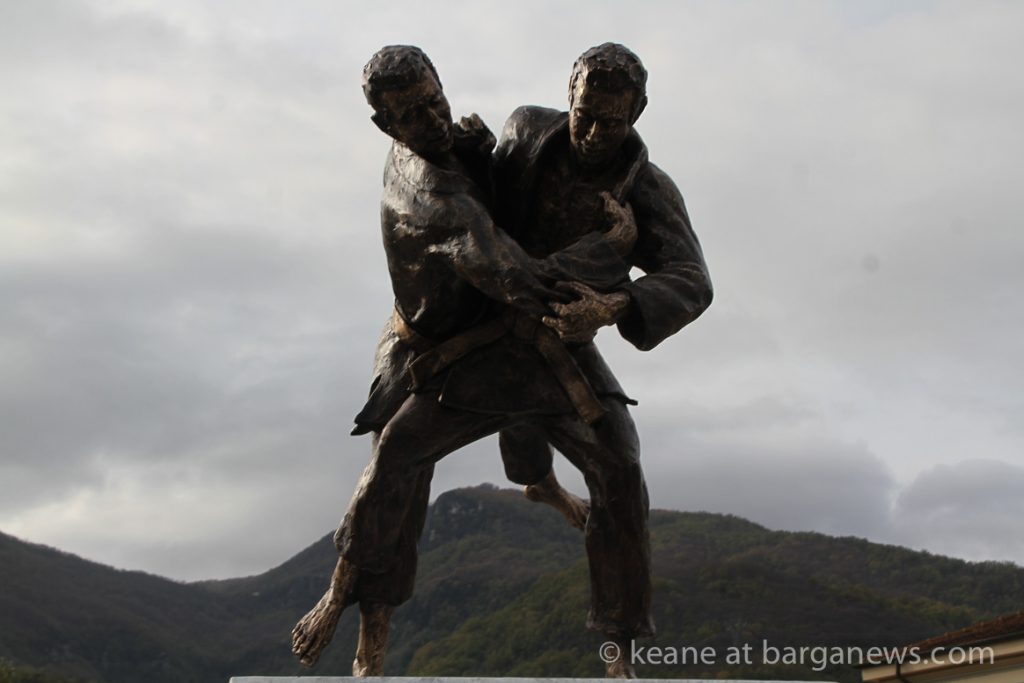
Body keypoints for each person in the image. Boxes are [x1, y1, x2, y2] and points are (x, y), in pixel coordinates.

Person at [291, 45, 638, 676]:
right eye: (414, 114)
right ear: (387, 127)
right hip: (437, 342)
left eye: (435, 100)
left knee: (604, 451)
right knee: (396, 460)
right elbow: (517, 274)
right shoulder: (437, 199)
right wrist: (613, 247)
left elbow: (688, 278)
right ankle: (354, 608)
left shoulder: (470, 141)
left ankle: (607, 618)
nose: (432, 118)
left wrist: (475, 146)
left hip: (519, 335)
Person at [490, 42, 714, 676]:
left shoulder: (648, 190)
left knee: (621, 466)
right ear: (569, 94)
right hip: (483, 324)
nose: (590, 133)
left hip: (563, 340)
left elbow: (692, 278)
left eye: (609, 122)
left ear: (637, 112)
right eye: (583, 113)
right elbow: (479, 197)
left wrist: (611, 308)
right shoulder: (527, 131)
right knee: (397, 440)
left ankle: (618, 646)